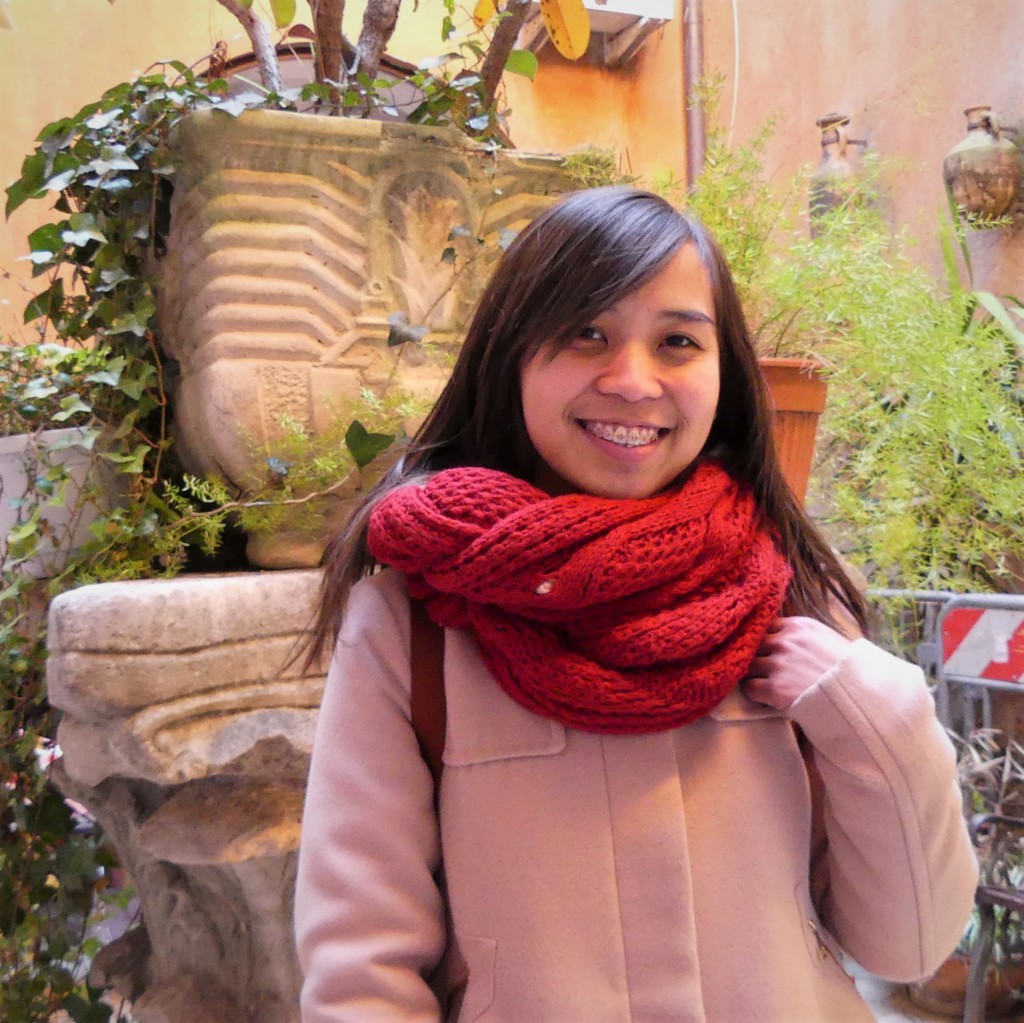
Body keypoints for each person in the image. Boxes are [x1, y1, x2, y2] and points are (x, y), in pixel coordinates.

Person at [294, 186, 977, 1022]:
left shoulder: (788, 593)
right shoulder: (414, 622)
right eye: (586, 332)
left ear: (724, 375)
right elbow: (362, 976)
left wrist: (878, 711)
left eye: (678, 341)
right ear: (512, 355)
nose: (631, 380)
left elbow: (908, 947)